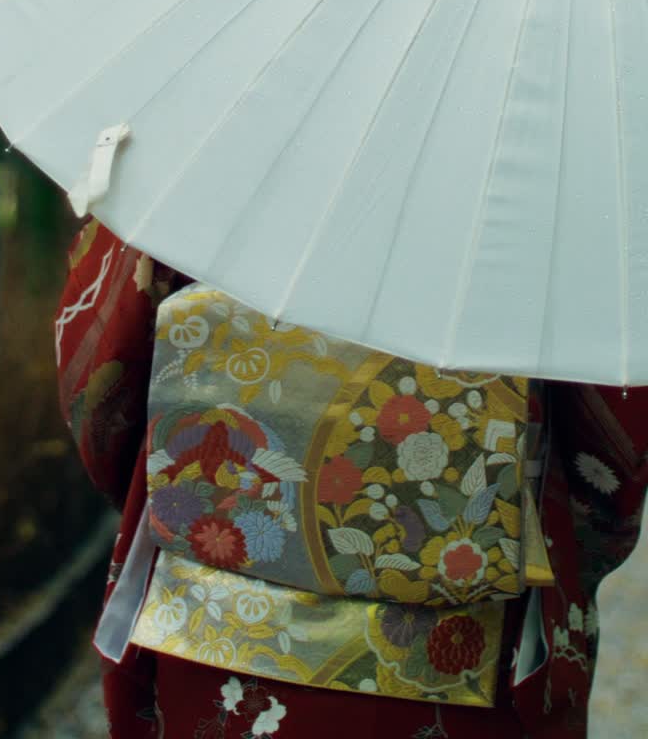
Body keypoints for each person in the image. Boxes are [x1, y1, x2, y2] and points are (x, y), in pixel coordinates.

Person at [55, 219, 648, 738]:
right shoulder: (545, 156)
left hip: (217, 620)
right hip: (467, 641)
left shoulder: (220, 123)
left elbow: (106, 384)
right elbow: (607, 446)